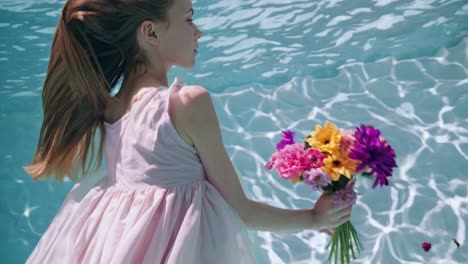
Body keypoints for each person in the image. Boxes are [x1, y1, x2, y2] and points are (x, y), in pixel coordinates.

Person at [23, 0, 354, 263]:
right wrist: (313, 219)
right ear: (150, 32)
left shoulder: (108, 109)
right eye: (189, 18)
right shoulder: (186, 103)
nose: (199, 32)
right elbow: (243, 212)